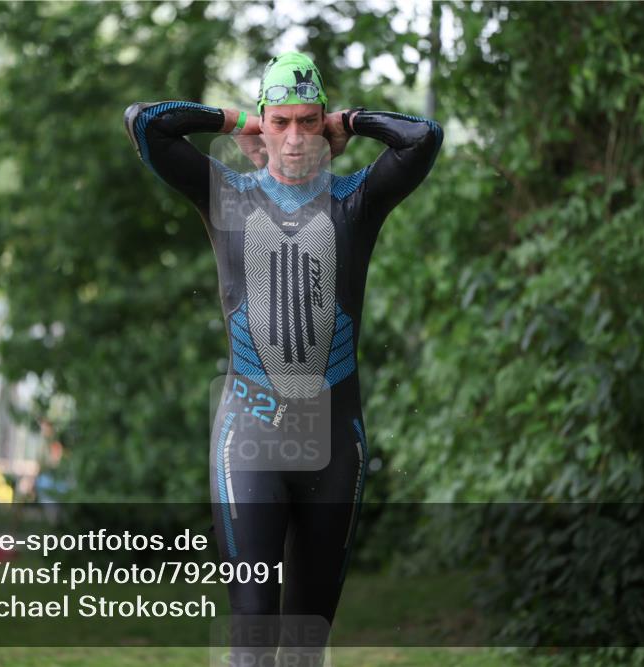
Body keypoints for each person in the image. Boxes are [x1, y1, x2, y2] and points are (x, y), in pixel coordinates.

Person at [124, 52, 442, 665]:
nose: (294, 137)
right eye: (280, 122)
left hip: (334, 442)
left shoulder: (357, 200)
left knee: (306, 642)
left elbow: (423, 138)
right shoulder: (227, 195)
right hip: (249, 441)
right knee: (251, 631)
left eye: (308, 121)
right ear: (263, 127)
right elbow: (145, 123)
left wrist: (354, 118)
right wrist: (234, 117)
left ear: (323, 124)